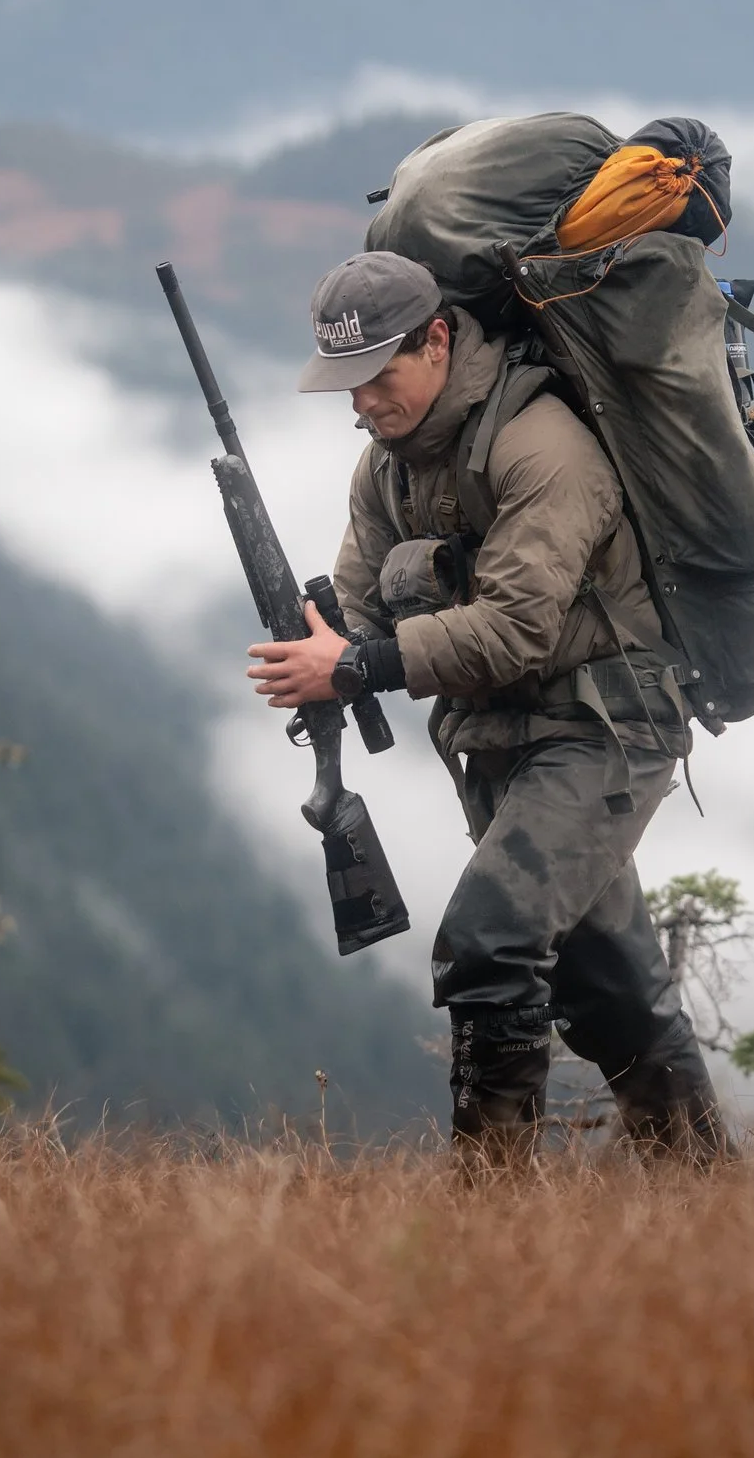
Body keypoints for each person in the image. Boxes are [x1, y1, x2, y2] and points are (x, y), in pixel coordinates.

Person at [247, 248, 726, 1164]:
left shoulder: (543, 448)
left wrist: (353, 667)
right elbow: (363, 608)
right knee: (609, 990)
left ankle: (487, 1205)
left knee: (488, 943)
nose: (362, 403)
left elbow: (514, 631)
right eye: (347, 385)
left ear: (436, 340)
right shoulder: (386, 467)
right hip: (502, 738)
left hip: (606, 728)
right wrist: (320, 645)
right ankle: (715, 1194)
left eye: (378, 376)